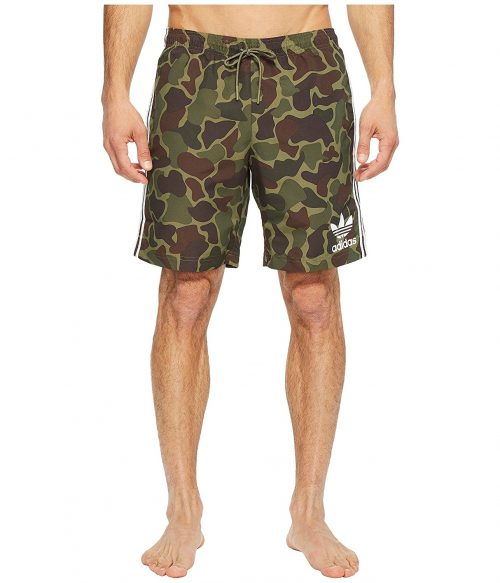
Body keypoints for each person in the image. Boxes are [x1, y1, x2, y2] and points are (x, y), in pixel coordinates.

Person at [102, 4, 398, 578]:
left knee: (314, 294)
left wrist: (383, 87)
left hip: (307, 68)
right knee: (186, 292)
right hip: (195, 68)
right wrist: (115, 92)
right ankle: (182, 509)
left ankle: (309, 511)